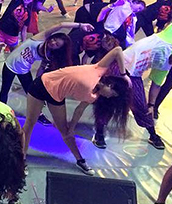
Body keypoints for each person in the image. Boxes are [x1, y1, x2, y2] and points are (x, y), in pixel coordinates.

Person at [21, 47, 132, 175]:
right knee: (29, 124)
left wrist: (72, 127)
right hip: (41, 85)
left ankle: (80, 160)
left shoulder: (93, 96)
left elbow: (79, 110)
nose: (109, 97)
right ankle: (21, 160)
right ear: (111, 86)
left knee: (65, 131)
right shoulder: (98, 69)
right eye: (112, 94)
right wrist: (124, 75)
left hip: (56, 96)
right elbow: (117, 50)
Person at [86, 23, 172, 149]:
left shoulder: (166, 65)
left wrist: (152, 105)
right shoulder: (170, 36)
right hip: (120, 65)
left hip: (134, 75)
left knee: (141, 106)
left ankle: (152, 134)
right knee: (108, 101)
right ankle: (99, 132)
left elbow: (156, 84)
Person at [0, 22, 89, 105]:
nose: (53, 42)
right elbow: (60, 25)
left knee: (31, 93)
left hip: (24, 70)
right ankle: (1, 111)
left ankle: (38, 113)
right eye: (54, 39)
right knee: (5, 90)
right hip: (10, 65)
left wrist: (38, 83)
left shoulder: (49, 55)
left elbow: (41, 69)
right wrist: (80, 25)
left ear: (58, 49)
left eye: (57, 45)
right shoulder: (41, 38)